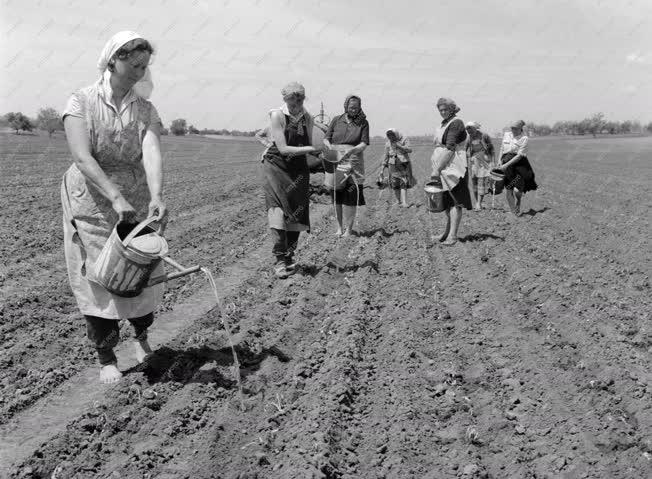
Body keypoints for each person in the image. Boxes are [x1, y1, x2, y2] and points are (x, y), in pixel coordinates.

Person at [61, 31, 167, 384]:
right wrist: (113, 196)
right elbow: (81, 156)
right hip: (91, 197)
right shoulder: (81, 102)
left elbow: (151, 152)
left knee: (139, 271)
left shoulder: (145, 109)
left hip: (134, 197)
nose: (139, 71)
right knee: (99, 276)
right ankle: (106, 356)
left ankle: (141, 338)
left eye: (144, 66)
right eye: (133, 64)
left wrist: (156, 195)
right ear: (113, 61)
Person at [262, 82, 325, 279]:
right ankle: (280, 259)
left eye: (300, 99)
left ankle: (290, 256)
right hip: (276, 164)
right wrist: (311, 150)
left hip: (297, 166)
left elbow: (308, 140)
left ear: (304, 99)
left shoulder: (307, 117)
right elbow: (282, 148)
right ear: (284, 99)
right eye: (292, 99)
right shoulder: (277, 115)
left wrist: (320, 150)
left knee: (297, 212)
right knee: (277, 210)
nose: (296, 103)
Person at [323, 95, 369, 236]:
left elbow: (364, 143)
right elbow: (326, 138)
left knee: (351, 195)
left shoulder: (363, 123)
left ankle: (348, 229)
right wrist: (330, 148)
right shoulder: (337, 120)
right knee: (337, 195)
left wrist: (351, 150)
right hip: (335, 160)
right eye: (351, 107)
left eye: (356, 108)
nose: (353, 110)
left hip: (353, 161)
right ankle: (339, 228)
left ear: (359, 107)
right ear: (345, 107)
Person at [430, 97, 472, 245]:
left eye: (445, 109)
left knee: (455, 201)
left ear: (452, 109)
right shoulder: (445, 123)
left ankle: (453, 236)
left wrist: (437, 169)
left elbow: (450, 149)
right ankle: (446, 233)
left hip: (454, 166)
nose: (442, 112)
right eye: (440, 110)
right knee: (447, 201)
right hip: (444, 167)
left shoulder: (456, 123)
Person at [497, 120, 538, 216]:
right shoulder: (507, 134)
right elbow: (502, 149)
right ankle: (513, 212)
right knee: (508, 188)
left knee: (517, 190)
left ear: (520, 129)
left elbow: (519, 156)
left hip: (518, 165)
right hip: (505, 163)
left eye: (515, 128)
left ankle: (518, 200)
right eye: (512, 128)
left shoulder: (524, 138)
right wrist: (499, 161)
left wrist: (506, 165)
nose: (513, 130)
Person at [465, 121, 496, 210]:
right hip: (474, 162)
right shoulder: (469, 138)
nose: (469, 132)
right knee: (474, 182)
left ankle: (478, 203)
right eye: (467, 130)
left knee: (481, 182)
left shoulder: (484, 136)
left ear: (475, 129)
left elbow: (492, 149)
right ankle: (477, 203)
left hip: (484, 162)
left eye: (470, 130)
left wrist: (493, 162)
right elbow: (464, 149)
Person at [382, 128, 416, 207]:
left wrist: (399, 146)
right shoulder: (388, 144)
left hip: (403, 164)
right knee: (394, 183)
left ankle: (404, 202)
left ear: (395, 134)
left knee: (403, 182)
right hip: (392, 165)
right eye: (389, 136)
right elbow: (386, 156)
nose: (391, 138)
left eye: (392, 136)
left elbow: (410, 150)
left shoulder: (404, 139)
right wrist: (382, 168)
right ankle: (398, 201)